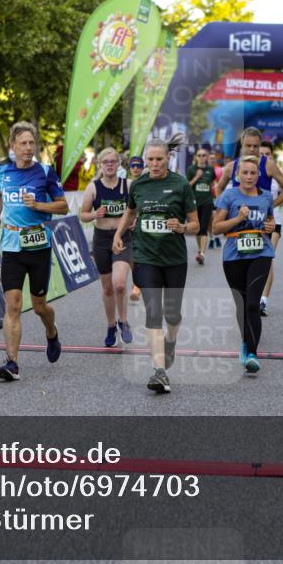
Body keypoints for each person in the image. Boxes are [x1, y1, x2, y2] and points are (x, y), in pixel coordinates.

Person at [113, 135, 198, 395]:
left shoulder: (180, 184)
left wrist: (182, 227)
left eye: (159, 159)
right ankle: (159, 371)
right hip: (146, 256)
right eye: (150, 159)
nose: (155, 164)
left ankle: (170, 340)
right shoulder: (139, 184)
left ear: (168, 158)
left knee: (172, 315)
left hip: (174, 259)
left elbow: (196, 224)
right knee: (153, 312)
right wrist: (118, 233)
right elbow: (130, 211)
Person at [0, 122, 68, 382]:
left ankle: (51, 332)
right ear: (13, 145)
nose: (28, 148)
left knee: (39, 306)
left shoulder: (45, 172)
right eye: (23, 143)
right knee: (13, 305)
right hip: (11, 246)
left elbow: (63, 206)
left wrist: (39, 205)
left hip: (38, 246)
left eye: (31, 143)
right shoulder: (2, 172)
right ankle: (11, 362)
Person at [212, 155, 277, 374]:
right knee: (242, 305)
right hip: (234, 256)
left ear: (259, 175)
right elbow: (216, 228)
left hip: (261, 253)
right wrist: (238, 219)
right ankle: (245, 341)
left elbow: (270, 221)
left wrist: (269, 227)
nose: (249, 177)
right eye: (245, 173)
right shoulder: (229, 196)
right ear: (238, 175)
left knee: (252, 304)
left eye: (253, 173)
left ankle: (252, 354)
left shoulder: (266, 197)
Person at [79, 147, 134, 347]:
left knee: (119, 284)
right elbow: (82, 214)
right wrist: (95, 214)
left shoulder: (128, 185)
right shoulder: (93, 187)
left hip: (122, 238)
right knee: (108, 288)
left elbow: (138, 209)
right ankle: (111, 326)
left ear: (118, 164)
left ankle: (123, 321)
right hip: (101, 240)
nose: (109, 165)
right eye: (106, 162)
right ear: (100, 165)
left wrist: (135, 221)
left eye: (113, 161)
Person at [257, 141, 283, 316]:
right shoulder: (253, 171)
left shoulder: (275, 171)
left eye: (267, 154)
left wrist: (272, 206)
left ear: (272, 155)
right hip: (254, 222)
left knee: (267, 259)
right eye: (262, 153)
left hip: (274, 222)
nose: (264, 156)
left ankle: (263, 300)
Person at [186, 148, 216, 265]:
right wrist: (196, 177)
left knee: (203, 228)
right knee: (197, 228)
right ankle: (200, 249)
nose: (202, 157)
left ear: (207, 157)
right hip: (194, 203)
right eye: (199, 155)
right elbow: (187, 186)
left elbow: (212, 183)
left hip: (207, 202)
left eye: (204, 155)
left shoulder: (210, 169)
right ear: (196, 157)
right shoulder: (191, 169)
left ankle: (202, 254)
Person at [126, 156, 145, 303]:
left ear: (143, 168)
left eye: (138, 166)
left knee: (142, 256)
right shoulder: (125, 184)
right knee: (133, 257)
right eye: (133, 166)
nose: (136, 168)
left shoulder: (146, 183)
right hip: (128, 225)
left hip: (143, 224)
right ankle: (137, 284)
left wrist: (138, 219)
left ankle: (138, 287)